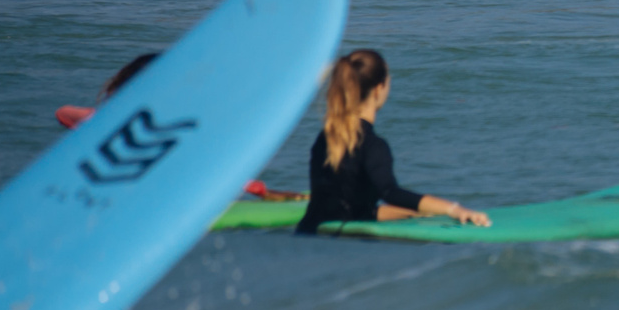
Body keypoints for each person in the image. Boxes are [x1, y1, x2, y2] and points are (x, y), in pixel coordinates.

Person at [57, 52, 303, 199]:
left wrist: (98, 117)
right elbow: (214, 172)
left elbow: (63, 113)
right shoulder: (172, 136)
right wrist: (262, 192)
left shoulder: (102, 124)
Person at [295, 49, 489, 235]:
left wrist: (415, 214)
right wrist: (454, 209)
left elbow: (345, 207)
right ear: (379, 89)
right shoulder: (373, 145)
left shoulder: (325, 139)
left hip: (307, 235)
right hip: (343, 246)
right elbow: (389, 192)